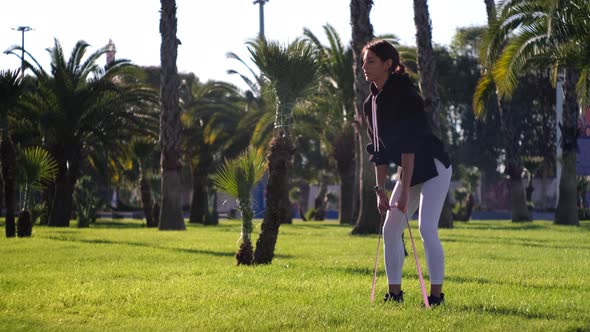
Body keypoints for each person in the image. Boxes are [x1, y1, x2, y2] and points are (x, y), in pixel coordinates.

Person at [362, 39, 452, 306]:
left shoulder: (406, 96)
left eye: (371, 61)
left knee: (427, 229)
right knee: (391, 230)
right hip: (408, 170)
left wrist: (402, 192)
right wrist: (381, 191)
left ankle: (435, 296)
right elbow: (377, 151)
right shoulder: (371, 104)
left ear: (388, 64)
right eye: (364, 61)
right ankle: (395, 294)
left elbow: (410, 146)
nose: (364, 67)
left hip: (434, 166)